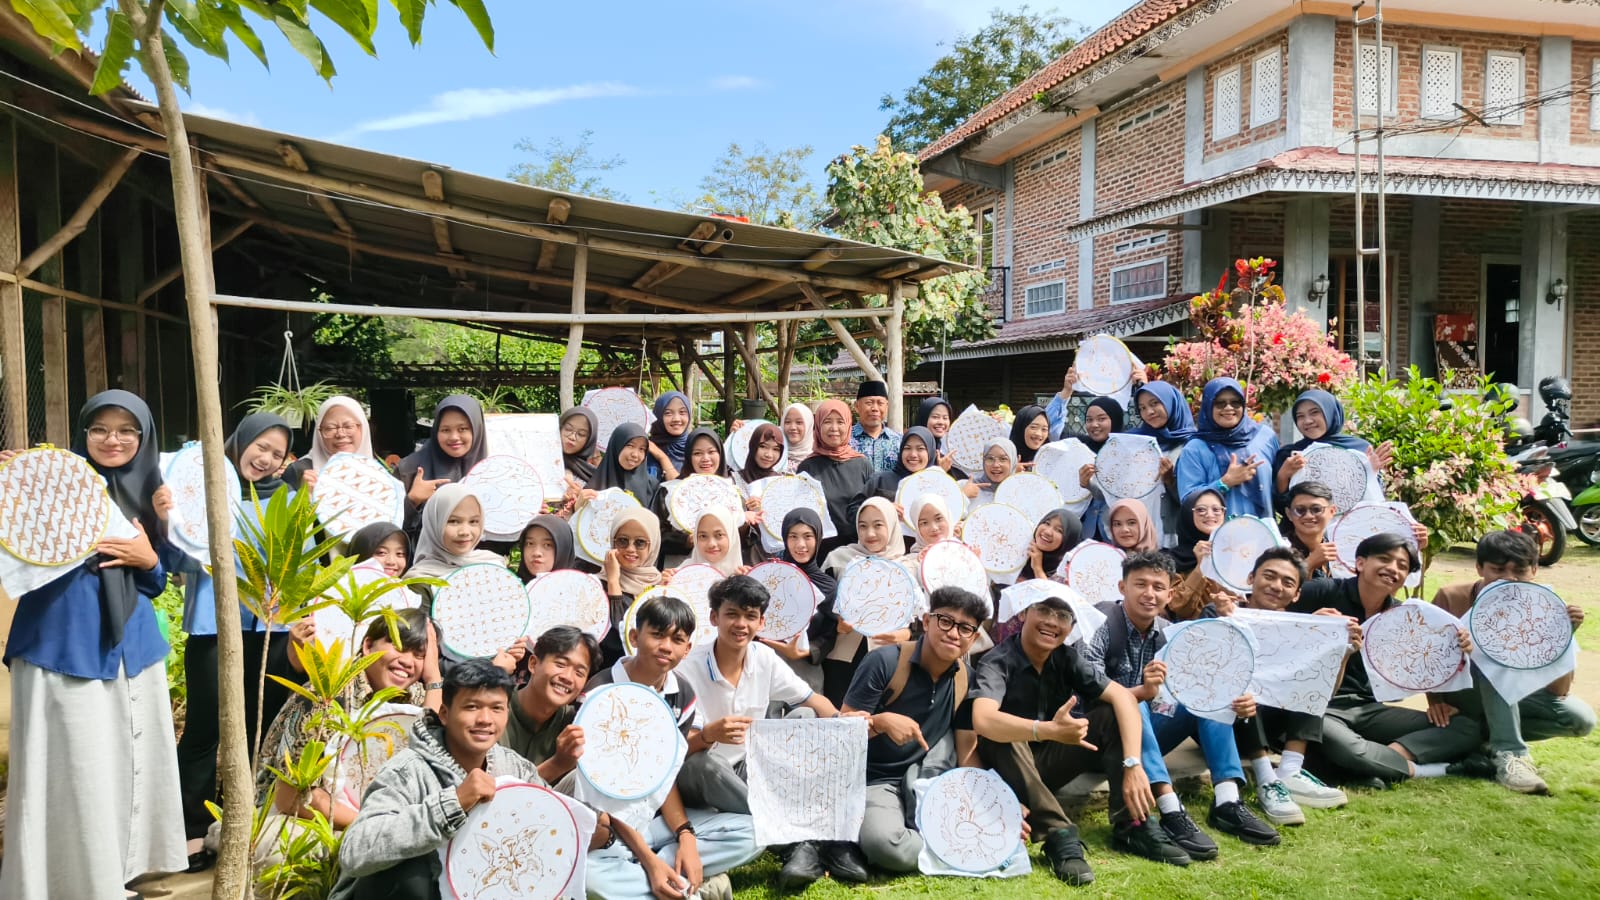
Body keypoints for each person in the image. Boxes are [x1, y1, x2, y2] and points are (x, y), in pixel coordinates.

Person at [0, 390, 186, 900]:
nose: (113, 439)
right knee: (73, 767)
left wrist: (149, 557)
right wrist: (15, 482)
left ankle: (124, 869)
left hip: (133, 645)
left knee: (126, 760)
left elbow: (163, 577)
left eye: (127, 430)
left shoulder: (158, 492)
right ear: (83, 434)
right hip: (61, 642)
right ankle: (65, 881)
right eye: (100, 428)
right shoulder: (52, 482)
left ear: (144, 437)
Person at [1082, 551, 1281, 859]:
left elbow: (1188, 688)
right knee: (1134, 704)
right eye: (1140, 584)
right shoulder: (1100, 622)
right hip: (1103, 742)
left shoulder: (1170, 633)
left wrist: (1239, 701)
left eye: (1158, 587)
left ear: (1170, 593)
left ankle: (1227, 801)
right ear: (1122, 587)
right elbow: (1088, 692)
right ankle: (1170, 808)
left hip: (1149, 737)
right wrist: (1142, 691)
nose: (1150, 594)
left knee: (1208, 693)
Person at [972, 591, 1175, 884]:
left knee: (1109, 712)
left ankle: (1131, 824)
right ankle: (1058, 833)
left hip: (1049, 762)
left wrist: (1133, 764)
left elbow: (1122, 698)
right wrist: (1046, 730)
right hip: (1008, 769)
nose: (1052, 622)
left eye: (1063, 616)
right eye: (1043, 610)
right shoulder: (998, 660)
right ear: (1023, 614)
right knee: (1003, 732)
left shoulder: (1067, 658)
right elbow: (982, 719)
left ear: (1071, 626)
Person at [328, 660, 573, 900]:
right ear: (444, 714)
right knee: (415, 874)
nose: (485, 719)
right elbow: (355, 851)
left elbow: (548, 827)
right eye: (472, 707)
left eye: (496, 708)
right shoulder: (407, 771)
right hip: (395, 892)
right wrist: (451, 805)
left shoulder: (514, 767)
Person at [169, 412, 299, 853]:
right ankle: (190, 829)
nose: (265, 458)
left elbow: (298, 564)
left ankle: (248, 822)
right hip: (211, 626)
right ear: (240, 441)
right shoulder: (202, 488)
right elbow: (183, 561)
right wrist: (171, 521)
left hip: (270, 630)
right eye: (260, 446)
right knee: (205, 729)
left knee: (260, 727)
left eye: (276, 454)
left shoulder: (288, 498)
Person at [583, 594, 763, 900]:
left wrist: (686, 838)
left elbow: (664, 777)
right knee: (587, 876)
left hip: (656, 823)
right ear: (634, 637)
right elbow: (604, 794)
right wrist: (649, 860)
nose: (666, 646)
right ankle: (682, 885)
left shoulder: (682, 693)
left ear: (687, 648)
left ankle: (663, 875)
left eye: (677, 639)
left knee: (756, 832)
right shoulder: (599, 694)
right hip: (611, 828)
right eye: (657, 635)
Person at [676, 576, 850, 889]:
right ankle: (795, 840)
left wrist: (845, 720)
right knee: (706, 764)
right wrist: (708, 736)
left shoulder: (764, 658)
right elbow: (676, 751)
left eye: (750, 616)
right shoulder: (688, 668)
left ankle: (798, 832)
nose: (741, 624)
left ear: (761, 621)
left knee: (805, 717)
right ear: (714, 617)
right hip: (698, 773)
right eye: (732, 614)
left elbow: (811, 700)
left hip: (746, 767)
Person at [1290, 533, 1482, 787]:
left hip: (1370, 709)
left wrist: (1460, 647)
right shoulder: (1321, 591)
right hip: (1319, 710)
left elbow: (1427, 659)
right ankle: (1430, 769)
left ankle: (1381, 761)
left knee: (1466, 727)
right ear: (1360, 563)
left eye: (1402, 566)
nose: (1393, 569)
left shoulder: (1404, 615)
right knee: (1346, 747)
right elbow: (1272, 628)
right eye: (1384, 559)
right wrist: (1310, 624)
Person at [1429, 530, 1594, 793]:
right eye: (1497, 569)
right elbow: (1429, 657)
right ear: (1479, 568)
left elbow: (1558, 691)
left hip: (1514, 699)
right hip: (1464, 693)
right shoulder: (1450, 597)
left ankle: (1486, 740)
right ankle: (1511, 756)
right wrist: (1435, 701)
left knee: (1580, 719)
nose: (1508, 579)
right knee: (1493, 655)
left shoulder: (1544, 607)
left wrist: (1562, 636)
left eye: (1519, 570)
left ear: (1535, 570)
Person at [837, 588, 988, 874]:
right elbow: (842, 731)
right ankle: (947, 846)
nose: (954, 633)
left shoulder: (967, 679)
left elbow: (966, 749)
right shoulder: (885, 662)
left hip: (927, 780)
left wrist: (991, 800)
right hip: (874, 780)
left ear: (974, 638)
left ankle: (940, 841)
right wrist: (880, 722)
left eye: (966, 628)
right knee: (886, 845)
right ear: (927, 621)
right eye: (945, 621)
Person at [254, 611, 439, 835]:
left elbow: (430, 751)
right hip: (293, 820)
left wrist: (434, 680)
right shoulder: (326, 696)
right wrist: (378, 826)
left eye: (419, 655)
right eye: (399, 647)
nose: (407, 661)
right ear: (368, 646)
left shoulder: (413, 694)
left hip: (374, 820)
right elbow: (289, 796)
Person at [1228, 548, 1353, 814]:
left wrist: (1339, 650)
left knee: (1309, 670)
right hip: (1225, 720)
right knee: (1239, 683)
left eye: (1287, 583)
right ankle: (1266, 779)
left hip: (1272, 724)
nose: (1276, 586)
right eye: (1269, 576)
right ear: (1251, 578)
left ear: (1297, 594)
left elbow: (1325, 693)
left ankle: (1290, 770)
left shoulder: (1301, 626)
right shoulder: (1225, 611)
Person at [817, 498, 918, 705]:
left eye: (878, 525)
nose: (869, 534)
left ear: (891, 525)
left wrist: (907, 634)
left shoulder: (909, 568)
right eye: (863, 526)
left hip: (891, 661)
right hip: (842, 661)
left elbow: (923, 621)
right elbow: (820, 609)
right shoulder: (838, 560)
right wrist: (836, 624)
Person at [499, 625, 601, 789]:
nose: (568, 677)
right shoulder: (494, 709)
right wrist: (558, 764)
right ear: (533, 664)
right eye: (560, 664)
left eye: (579, 673)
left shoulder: (576, 725)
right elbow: (496, 793)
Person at [1177, 378, 1278, 518]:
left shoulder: (1265, 437)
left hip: (1264, 533)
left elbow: (1277, 489)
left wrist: (1285, 474)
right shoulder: (1195, 448)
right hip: (1217, 536)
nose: (1228, 408)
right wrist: (1224, 483)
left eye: (1235, 402)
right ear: (1208, 406)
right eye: (1220, 403)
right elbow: (1187, 501)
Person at [1272, 389, 1392, 501]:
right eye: (1300, 416)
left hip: (1350, 522)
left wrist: (1370, 471)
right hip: (1302, 523)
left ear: (1331, 413)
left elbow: (1373, 500)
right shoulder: (1289, 455)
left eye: (1314, 412)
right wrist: (1283, 476)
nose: (1307, 421)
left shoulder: (1359, 449)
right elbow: (1283, 507)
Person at [396, 394, 489, 535]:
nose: (454, 437)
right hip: (424, 556)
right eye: (445, 430)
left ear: (476, 430)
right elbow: (387, 528)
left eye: (462, 429)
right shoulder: (409, 469)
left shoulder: (493, 472)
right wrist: (412, 501)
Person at [797, 399, 873, 555]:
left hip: (859, 551)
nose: (834, 428)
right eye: (827, 422)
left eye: (840, 422)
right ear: (818, 425)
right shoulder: (807, 467)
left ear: (848, 425)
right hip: (820, 551)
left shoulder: (862, 464)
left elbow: (872, 507)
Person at [402, 484, 504, 599]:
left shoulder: (493, 565)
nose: (465, 532)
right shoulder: (419, 582)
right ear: (434, 522)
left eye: (474, 521)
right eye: (454, 521)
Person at [1131, 381, 1198, 544]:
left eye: (1155, 403)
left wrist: (1170, 480)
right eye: (1142, 408)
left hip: (1173, 538)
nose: (1149, 412)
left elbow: (1196, 501)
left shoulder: (1193, 445)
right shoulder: (1137, 442)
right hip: (1139, 536)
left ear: (1171, 403)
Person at [599, 508, 665, 665]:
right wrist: (613, 582)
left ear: (653, 545)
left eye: (640, 542)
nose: (630, 548)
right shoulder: (597, 586)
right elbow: (619, 639)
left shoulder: (660, 585)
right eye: (622, 541)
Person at [1060, 396, 1125, 537]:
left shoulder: (1127, 451)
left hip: (1116, 533)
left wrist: (1089, 485)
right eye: (1089, 420)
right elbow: (1052, 429)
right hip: (1083, 533)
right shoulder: (1080, 447)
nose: (1094, 424)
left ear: (1115, 419)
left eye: (1101, 419)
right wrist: (1065, 393)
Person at [285, 394, 375, 489]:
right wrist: (303, 496)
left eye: (348, 426)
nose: (340, 434)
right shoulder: (298, 471)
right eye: (330, 428)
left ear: (363, 428)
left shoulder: (378, 473)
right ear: (319, 432)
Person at [586, 421, 661, 509]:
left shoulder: (652, 486)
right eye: (630, 445)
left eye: (642, 449)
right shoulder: (593, 485)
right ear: (616, 446)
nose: (635, 454)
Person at [1280, 482, 1339, 579]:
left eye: (1316, 509)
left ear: (1332, 511)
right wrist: (1309, 563)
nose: (1308, 516)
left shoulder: (1340, 547)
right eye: (1300, 510)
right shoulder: (1279, 549)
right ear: (1289, 514)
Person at [864, 425, 936, 502]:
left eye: (920, 448)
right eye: (907, 448)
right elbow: (855, 508)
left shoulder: (938, 486)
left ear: (930, 452)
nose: (913, 455)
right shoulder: (880, 480)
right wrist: (882, 508)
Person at [674, 507, 746, 578]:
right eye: (703, 536)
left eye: (719, 535)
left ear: (732, 536)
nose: (711, 544)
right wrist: (665, 585)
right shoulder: (682, 574)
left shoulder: (745, 576)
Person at [851, 380, 902, 472]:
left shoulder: (899, 441)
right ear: (857, 406)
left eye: (880, 403)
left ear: (887, 407)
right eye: (869, 403)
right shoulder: (845, 440)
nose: (875, 408)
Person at [646, 390, 694, 482]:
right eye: (668, 413)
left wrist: (661, 456)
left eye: (682, 412)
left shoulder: (695, 449)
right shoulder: (645, 449)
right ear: (658, 416)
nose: (676, 419)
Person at [960, 436, 1017, 511]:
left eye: (1003, 459)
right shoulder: (964, 486)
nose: (996, 465)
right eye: (990, 458)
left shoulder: (1020, 494)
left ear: (1013, 462)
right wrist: (963, 496)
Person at [515, 514, 578, 581]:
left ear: (563, 551)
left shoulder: (579, 590)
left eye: (547, 545)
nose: (536, 553)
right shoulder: (510, 588)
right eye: (530, 543)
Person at [913, 396, 962, 475]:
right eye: (935, 417)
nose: (941, 422)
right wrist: (939, 470)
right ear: (924, 418)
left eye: (945, 418)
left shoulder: (948, 449)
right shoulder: (913, 449)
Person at [558, 405, 600, 484]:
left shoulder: (595, 476)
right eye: (568, 429)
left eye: (581, 434)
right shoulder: (541, 459)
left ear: (589, 440)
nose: (572, 437)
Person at [778, 402, 815, 475]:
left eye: (799, 422)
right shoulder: (773, 453)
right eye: (787, 422)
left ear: (808, 425)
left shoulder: (816, 458)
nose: (793, 427)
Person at [1010, 404, 1051, 469]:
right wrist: (1011, 471)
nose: (1039, 434)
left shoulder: (1051, 460)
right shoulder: (1005, 458)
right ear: (1020, 428)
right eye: (1033, 427)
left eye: (1044, 429)